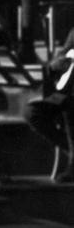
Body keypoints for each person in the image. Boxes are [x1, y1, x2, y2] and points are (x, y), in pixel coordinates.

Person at [24, 24, 74, 181]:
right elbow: (63, 54)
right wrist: (56, 64)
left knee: (71, 106)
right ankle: (72, 151)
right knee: (32, 113)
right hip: (66, 92)